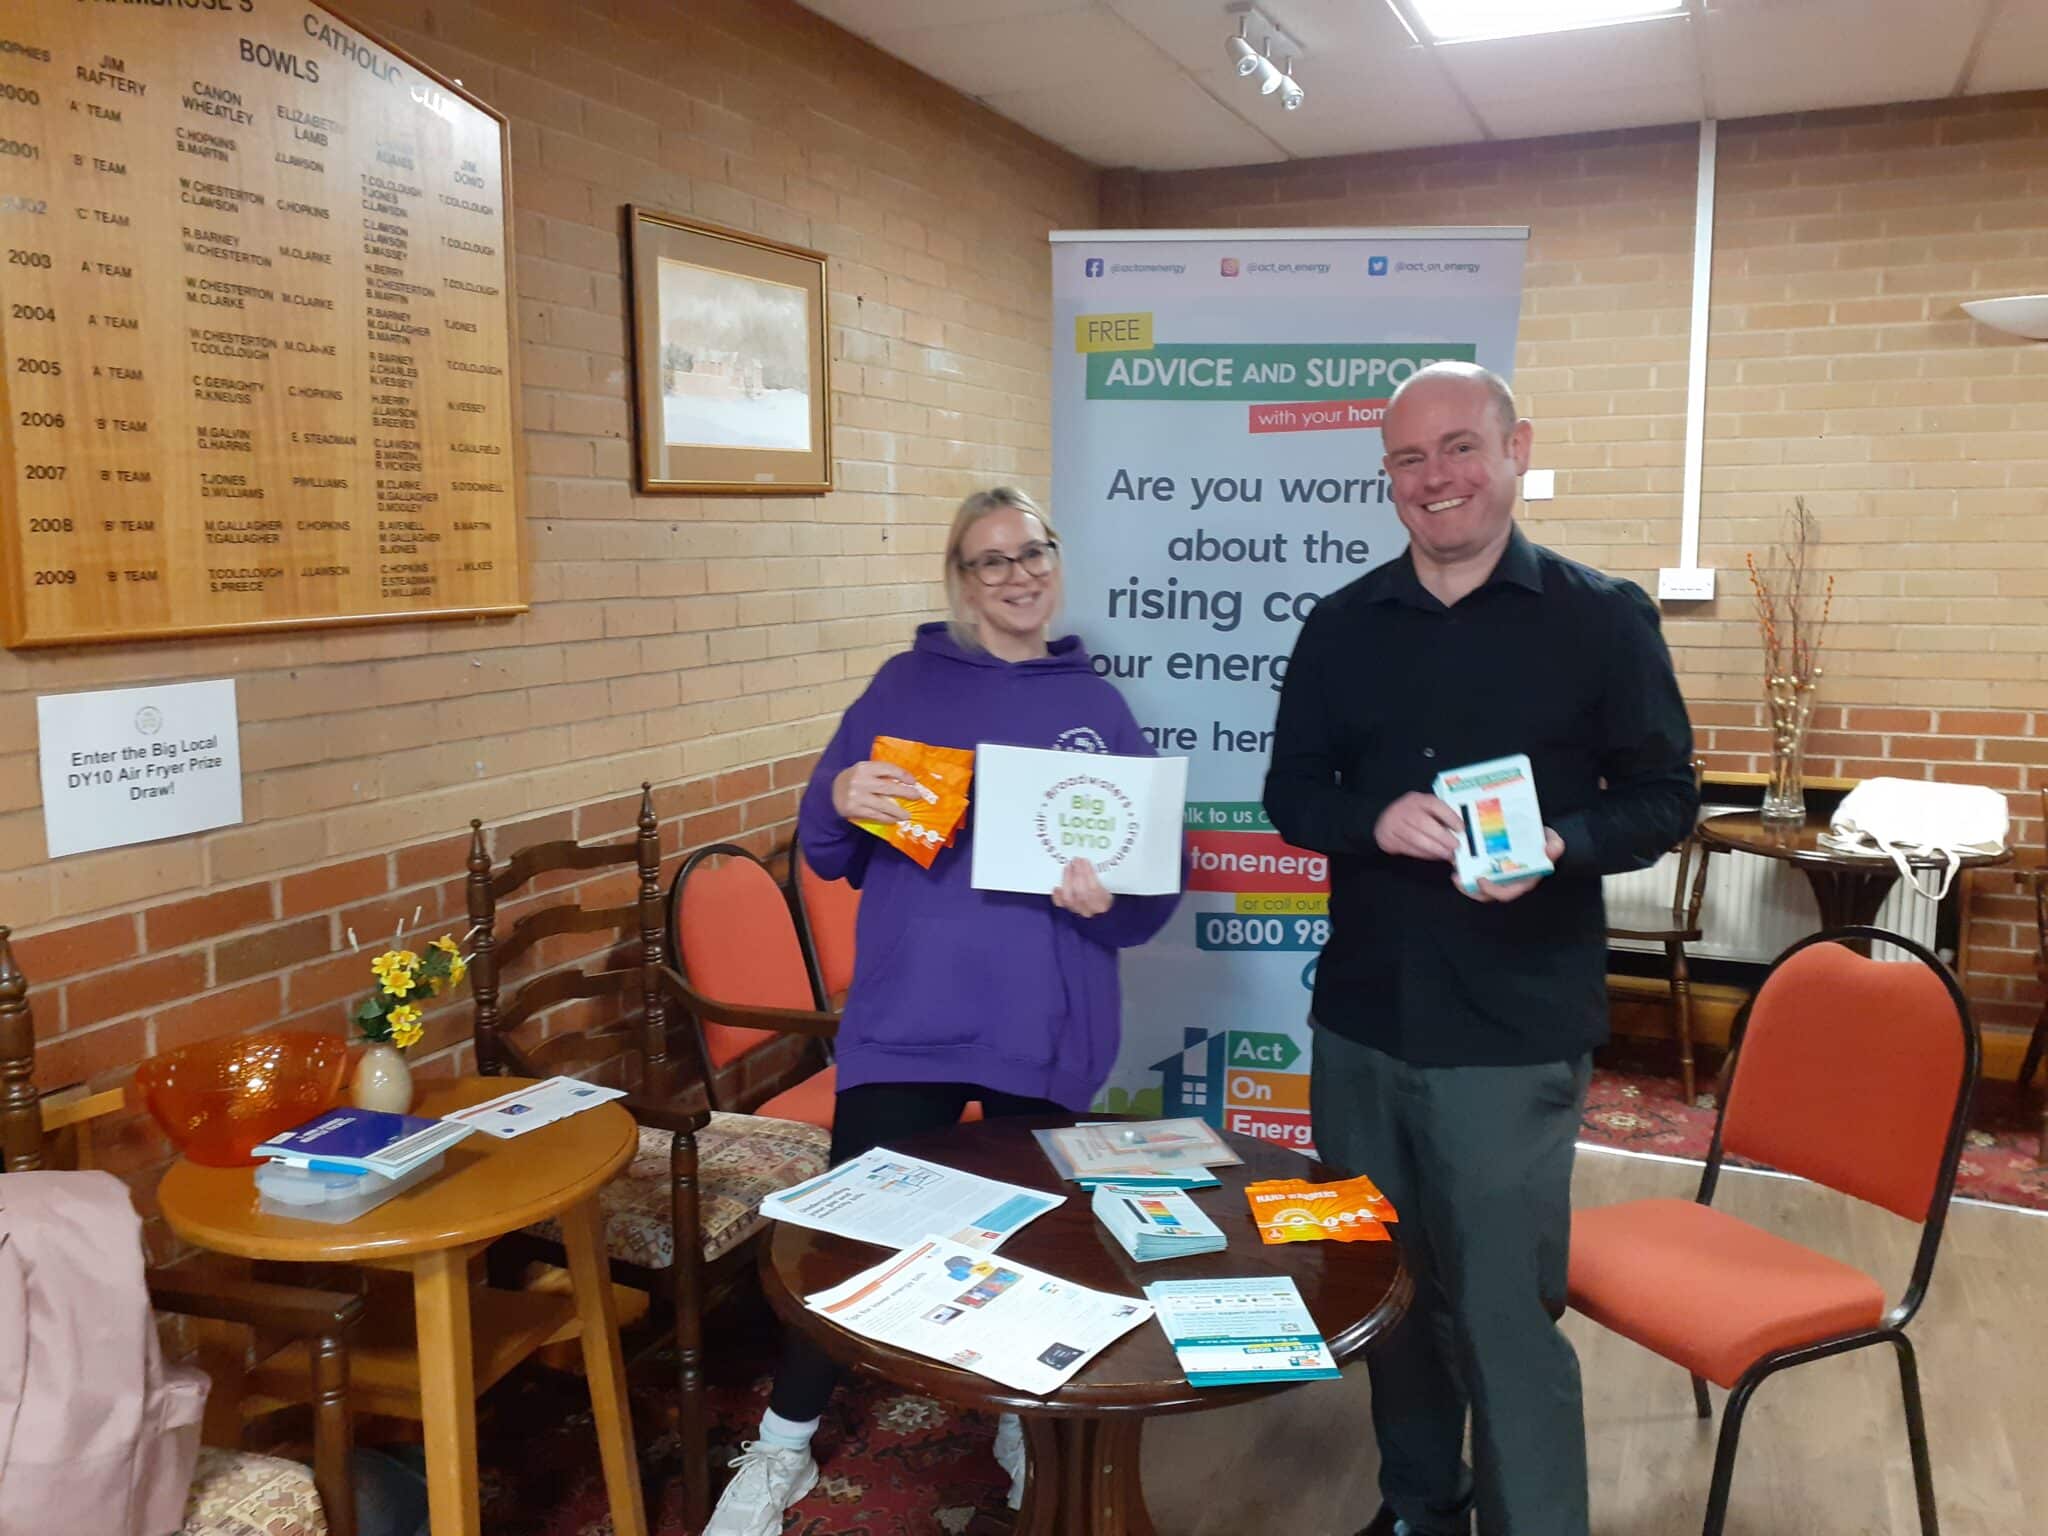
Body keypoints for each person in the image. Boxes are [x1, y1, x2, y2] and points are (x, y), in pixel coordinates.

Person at [1262, 362, 1697, 1536]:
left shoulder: (1599, 616)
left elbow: (1663, 798)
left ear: (1514, 451)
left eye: (1459, 447)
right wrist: (1369, 820)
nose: (1434, 478)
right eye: (1407, 460)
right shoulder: (1340, 623)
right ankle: (1418, 1506)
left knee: (1502, 1315)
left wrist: (1557, 840)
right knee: (1383, 1293)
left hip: (1511, 1030)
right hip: (1359, 1022)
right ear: (1387, 481)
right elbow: (1290, 794)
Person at [704, 486, 1180, 1536]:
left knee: (1039, 1236)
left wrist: (1112, 894)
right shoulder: (903, 684)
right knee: (853, 1231)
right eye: (988, 560)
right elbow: (826, 845)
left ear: (1054, 563)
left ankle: (1017, 1414)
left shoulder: (1092, 703)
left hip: (1040, 1019)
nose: (1015, 575)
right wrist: (836, 800)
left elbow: (1148, 894)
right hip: (910, 1014)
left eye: (1030, 553)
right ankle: (782, 1444)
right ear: (957, 581)